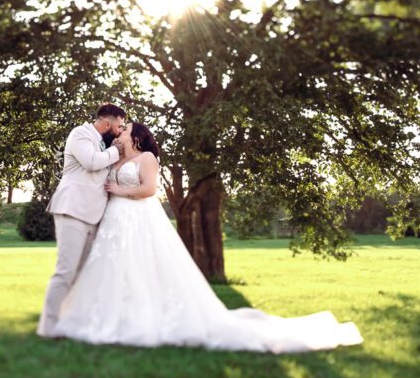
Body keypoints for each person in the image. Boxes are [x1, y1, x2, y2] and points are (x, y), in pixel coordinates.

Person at [43, 122, 363, 354]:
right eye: (120, 129)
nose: (120, 133)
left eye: (125, 130)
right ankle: (98, 316)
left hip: (136, 218)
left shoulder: (147, 159)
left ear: (137, 137)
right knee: (109, 269)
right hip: (112, 221)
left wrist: (120, 190)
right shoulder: (116, 159)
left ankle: (140, 318)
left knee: (139, 266)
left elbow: (149, 190)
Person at [37, 104, 127, 337]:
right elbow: (90, 162)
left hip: (94, 215)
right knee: (65, 271)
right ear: (107, 124)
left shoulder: (104, 145)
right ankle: (48, 328)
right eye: (118, 126)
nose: (119, 132)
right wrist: (116, 151)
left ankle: (70, 322)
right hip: (73, 210)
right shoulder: (81, 134)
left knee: (81, 273)